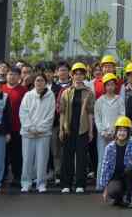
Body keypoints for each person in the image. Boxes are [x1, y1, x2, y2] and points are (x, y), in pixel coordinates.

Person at [57, 63, 95, 194]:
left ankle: (80, 184)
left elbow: (90, 113)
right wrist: (61, 129)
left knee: (81, 157)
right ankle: (66, 184)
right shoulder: (66, 92)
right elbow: (62, 112)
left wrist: (91, 131)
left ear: (84, 76)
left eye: (81, 74)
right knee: (67, 157)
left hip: (82, 128)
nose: (78, 76)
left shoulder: (89, 92)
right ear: (72, 75)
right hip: (68, 128)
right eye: (76, 74)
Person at [19, 72, 56, 193]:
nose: (39, 83)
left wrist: (40, 129)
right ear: (34, 82)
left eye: (41, 80)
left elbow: (50, 115)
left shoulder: (50, 96)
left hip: (43, 134)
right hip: (28, 133)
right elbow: (23, 113)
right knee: (27, 159)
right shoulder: (28, 95)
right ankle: (26, 183)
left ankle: (41, 183)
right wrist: (30, 128)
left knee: (42, 159)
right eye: (37, 80)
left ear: (45, 82)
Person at [99, 116, 132, 208]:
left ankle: (129, 197)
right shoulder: (109, 148)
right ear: (116, 132)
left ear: (128, 132)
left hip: (129, 178)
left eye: (124, 130)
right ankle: (119, 199)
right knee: (113, 191)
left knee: (130, 169)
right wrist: (105, 189)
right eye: (120, 130)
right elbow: (105, 168)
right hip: (116, 178)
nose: (122, 133)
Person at [3, 66, 27, 188]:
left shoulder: (24, 91)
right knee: (3, 154)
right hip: (2, 128)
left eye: (15, 74)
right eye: (10, 74)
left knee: (17, 154)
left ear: (19, 77)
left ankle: (17, 177)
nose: (12, 77)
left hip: (18, 127)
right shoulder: (1, 88)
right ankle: (2, 176)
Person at [94, 72, 125, 166]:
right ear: (104, 86)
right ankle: (101, 176)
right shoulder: (99, 101)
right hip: (102, 135)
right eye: (108, 85)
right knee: (102, 159)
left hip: (116, 135)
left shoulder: (119, 100)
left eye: (112, 84)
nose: (110, 87)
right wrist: (102, 132)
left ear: (115, 86)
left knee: (115, 159)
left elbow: (122, 116)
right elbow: (97, 118)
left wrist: (116, 131)